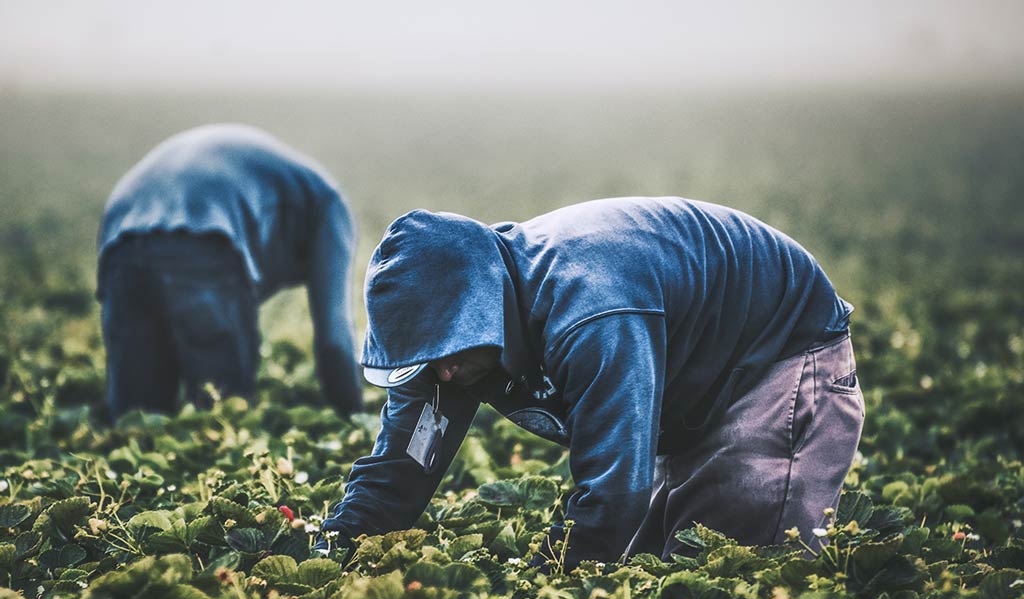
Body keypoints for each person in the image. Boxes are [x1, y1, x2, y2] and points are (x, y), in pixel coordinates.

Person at [320, 197, 865, 569]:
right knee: (661, 567)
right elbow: (403, 466)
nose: (442, 375)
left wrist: (544, 580)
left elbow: (614, 491)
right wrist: (334, 548)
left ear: (483, 310)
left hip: (778, 354)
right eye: (426, 358)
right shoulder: (450, 352)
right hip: (686, 375)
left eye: (450, 352)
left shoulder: (591, 309)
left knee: (743, 566)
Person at [96, 123, 363, 419]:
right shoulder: (331, 207)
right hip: (204, 233)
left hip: (120, 234)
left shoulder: (291, 189)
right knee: (221, 415)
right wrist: (353, 416)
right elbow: (334, 339)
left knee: (137, 420)